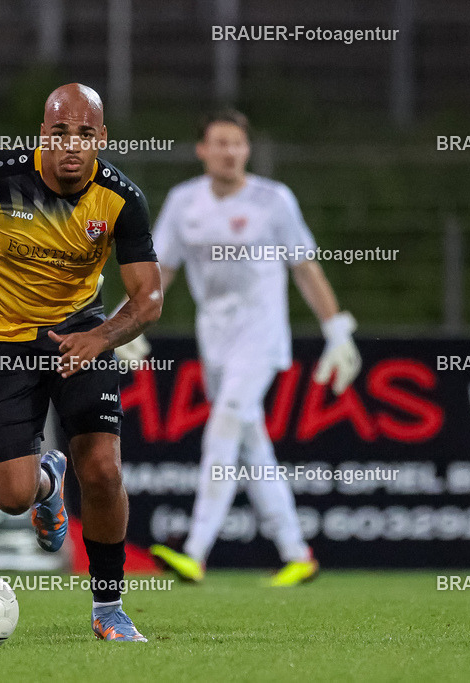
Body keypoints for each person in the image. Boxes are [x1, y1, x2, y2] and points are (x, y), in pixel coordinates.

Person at [0, 83, 162, 641]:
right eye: (59, 132)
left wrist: (102, 337)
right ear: (41, 134)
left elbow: (148, 299)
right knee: (11, 498)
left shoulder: (121, 199)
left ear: (101, 136)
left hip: (77, 334)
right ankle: (48, 483)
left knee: (102, 470)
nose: (71, 145)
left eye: (84, 133)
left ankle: (108, 609)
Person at [142, 110, 361, 586]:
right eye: (220, 143)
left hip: (261, 336)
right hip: (214, 338)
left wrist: (337, 330)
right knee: (252, 446)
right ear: (202, 149)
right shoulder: (183, 202)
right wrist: (130, 322)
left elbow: (306, 267)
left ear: (247, 150)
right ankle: (297, 552)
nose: (229, 152)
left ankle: (195, 551)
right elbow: (163, 272)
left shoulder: (273, 200)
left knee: (223, 426)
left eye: (237, 144)